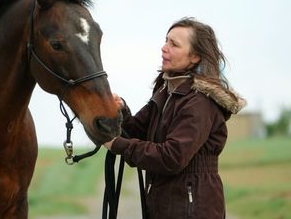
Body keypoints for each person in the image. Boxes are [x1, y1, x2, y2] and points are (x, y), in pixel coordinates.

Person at [103, 17, 245, 219]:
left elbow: (171, 157)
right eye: (166, 40)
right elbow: (136, 132)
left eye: (174, 44)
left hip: (193, 210)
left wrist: (118, 145)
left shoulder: (200, 102)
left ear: (195, 56)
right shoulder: (166, 92)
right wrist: (120, 111)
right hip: (165, 205)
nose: (163, 48)